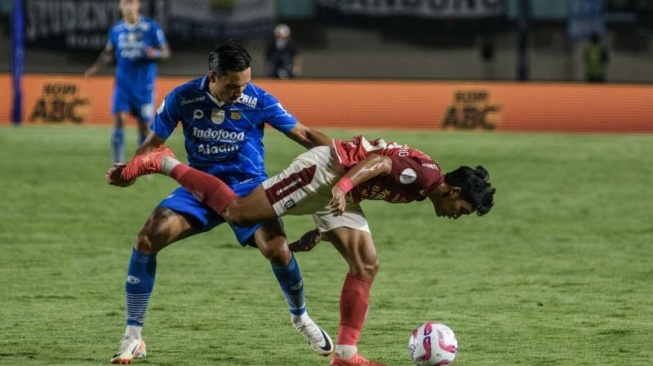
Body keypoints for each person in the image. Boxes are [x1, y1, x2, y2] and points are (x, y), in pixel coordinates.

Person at [118, 136, 496, 366]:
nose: (456, 216)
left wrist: (323, 229)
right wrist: (343, 187)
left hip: (340, 191)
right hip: (324, 173)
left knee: (366, 264)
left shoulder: (428, 182)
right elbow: (378, 162)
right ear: (456, 192)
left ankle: (346, 355)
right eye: (462, 211)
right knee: (236, 212)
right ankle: (164, 161)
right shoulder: (428, 178)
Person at [104, 41, 334, 364]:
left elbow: (306, 135)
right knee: (147, 238)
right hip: (200, 189)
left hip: (248, 188)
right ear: (213, 76)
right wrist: (128, 171)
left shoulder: (258, 99)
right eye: (232, 85)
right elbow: (152, 146)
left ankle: (301, 319)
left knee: (278, 251)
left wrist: (342, 160)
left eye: (245, 83)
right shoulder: (182, 97)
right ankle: (133, 336)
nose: (240, 91)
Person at [84, 0, 171, 164]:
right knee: (119, 119)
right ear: (120, 7)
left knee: (143, 126)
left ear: (138, 5)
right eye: (125, 3)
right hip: (123, 83)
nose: (128, 6)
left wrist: (156, 54)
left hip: (144, 85)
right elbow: (109, 52)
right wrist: (94, 68)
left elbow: (166, 52)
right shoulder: (116, 30)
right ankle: (118, 164)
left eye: (131, 3)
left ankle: (144, 163)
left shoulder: (151, 27)